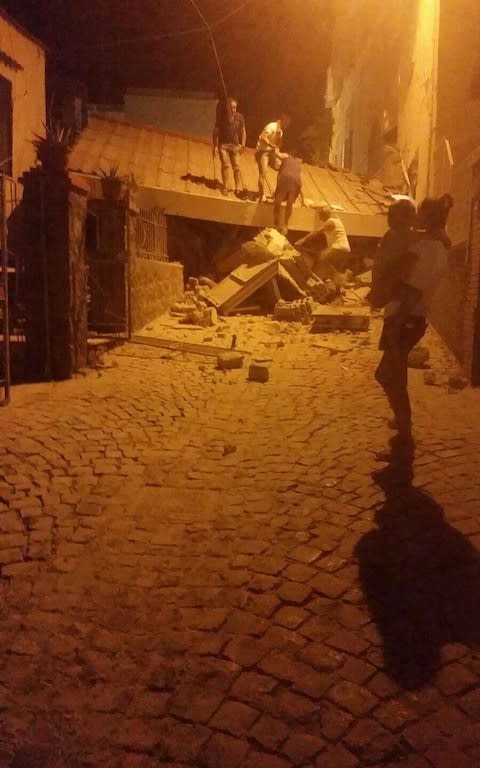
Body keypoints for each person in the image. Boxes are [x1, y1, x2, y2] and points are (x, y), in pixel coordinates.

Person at [374, 194, 453, 440]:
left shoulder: (427, 249)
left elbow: (412, 290)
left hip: (405, 317)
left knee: (389, 375)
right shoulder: (433, 245)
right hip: (409, 316)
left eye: (418, 212)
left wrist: (397, 323)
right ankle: (402, 423)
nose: (414, 217)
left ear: (427, 217)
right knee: (390, 373)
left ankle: (404, 429)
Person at [294, 205, 351, 278]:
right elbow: (325, 206)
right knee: (333, 271)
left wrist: (302, 240)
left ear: (324, 215)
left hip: (337, 249)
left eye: (320, 215)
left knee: (321, 261)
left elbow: (317, 232)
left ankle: (315, 280)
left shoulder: (330, 222)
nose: (319, 217)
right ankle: (343, 279)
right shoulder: (336, 220)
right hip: (345, 250)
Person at [212, 96, 246, 196]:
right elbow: (215, 133)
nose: (233, 109)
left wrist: (243, 144)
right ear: (227, 108)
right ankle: (225, 186)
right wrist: (214, 147)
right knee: (225, 165)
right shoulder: (222, 118)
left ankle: (237, 188)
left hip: (235, 146)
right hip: (224, 146)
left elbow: (243, 131)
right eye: (231, 107)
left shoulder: (240, 117)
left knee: (237, 167)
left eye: (234, 107)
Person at [255, 113, 291, 201]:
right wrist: (272, 146)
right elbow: (263, 137)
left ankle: (277, 193)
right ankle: (261, 195)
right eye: (287, 123)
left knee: (283, 168)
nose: (287, 125)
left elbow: (277, 148)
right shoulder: (272, 126)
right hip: (262, 152)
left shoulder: (280, 132)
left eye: (289, 123)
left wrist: (280, 154)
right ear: (283, 120)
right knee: (263, 173)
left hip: (271, 153)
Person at [273, 152, 304, 234]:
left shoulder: (285, 160)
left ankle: (276, 222)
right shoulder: (298, 163)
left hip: (285, 178)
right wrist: (303, 199)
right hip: (297, 181)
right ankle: (285, 224)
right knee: (289, 203)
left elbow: (279, 182)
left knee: (278, 201)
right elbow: (300, 184)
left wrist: (275, 195)